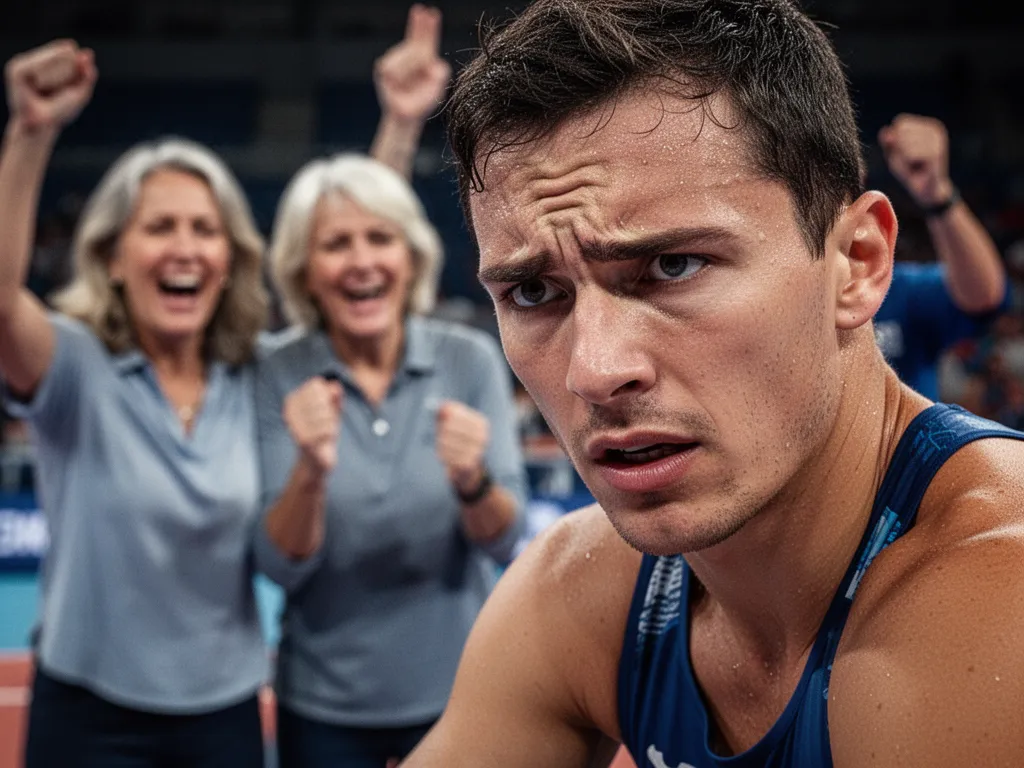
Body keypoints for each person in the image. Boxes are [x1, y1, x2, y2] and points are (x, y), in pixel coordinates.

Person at [398, 1, 1024, 766]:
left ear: (857, 263)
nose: (594, 370)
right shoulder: (585, 588)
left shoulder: (1000, 603)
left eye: (673, 266)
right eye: (534, 292)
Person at [252, 6, 528, 767]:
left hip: (461, 692)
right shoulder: (277, 369)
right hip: (320, 705)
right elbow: (277, 566)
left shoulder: (468, 357)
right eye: (334, 245)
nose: (361, 261)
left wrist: (472, 482)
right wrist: (309, 470)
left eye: (381, 240)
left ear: (410, 257)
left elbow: (508, 539)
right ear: (304, 269)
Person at [0, 41, 270, 766]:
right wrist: (30, 133)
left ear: (230, 258)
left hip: (224, 712)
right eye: (159, 227)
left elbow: (356, 260)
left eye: (203, 229)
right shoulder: (77, 367)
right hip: (87, 711)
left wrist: (401, 127)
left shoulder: (255, 373)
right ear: (114, 258)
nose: (184, 247)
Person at [874, 112, 1008, 400]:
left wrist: (937, 196)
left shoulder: (897, 287)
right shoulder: (781, 293)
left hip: (909, 445)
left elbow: (984, 296)